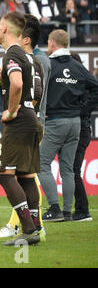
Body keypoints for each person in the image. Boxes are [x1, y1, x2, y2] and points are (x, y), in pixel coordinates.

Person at [0, 14, 46, 240]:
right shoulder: (28, 56)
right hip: (31, 117)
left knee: (4, 175)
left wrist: (11, 111)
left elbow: (18, 83)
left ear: (3, 28)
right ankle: (35, 229)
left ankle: (28, 228)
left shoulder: (12, 53)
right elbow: (35, 90)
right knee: (26, 175)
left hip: (19, 119)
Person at [38, 29, 98, 222]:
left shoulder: (49, 64)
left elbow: (39, 89)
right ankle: (66, 211)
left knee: (42, 163)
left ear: (53, 43)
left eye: (48, 43)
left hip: (55, 121)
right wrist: (85, 109)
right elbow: (95, 86)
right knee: (68, 169)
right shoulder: (77, 66)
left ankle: (54, 209)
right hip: (75, 123)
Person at [72, 66, 97, 222]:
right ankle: (79, 209)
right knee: (71, 170)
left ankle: (83, 210)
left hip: (81, 130)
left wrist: (82, 110)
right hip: (82, 130)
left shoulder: (83, 87)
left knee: (73, 170)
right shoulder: (81, 86)